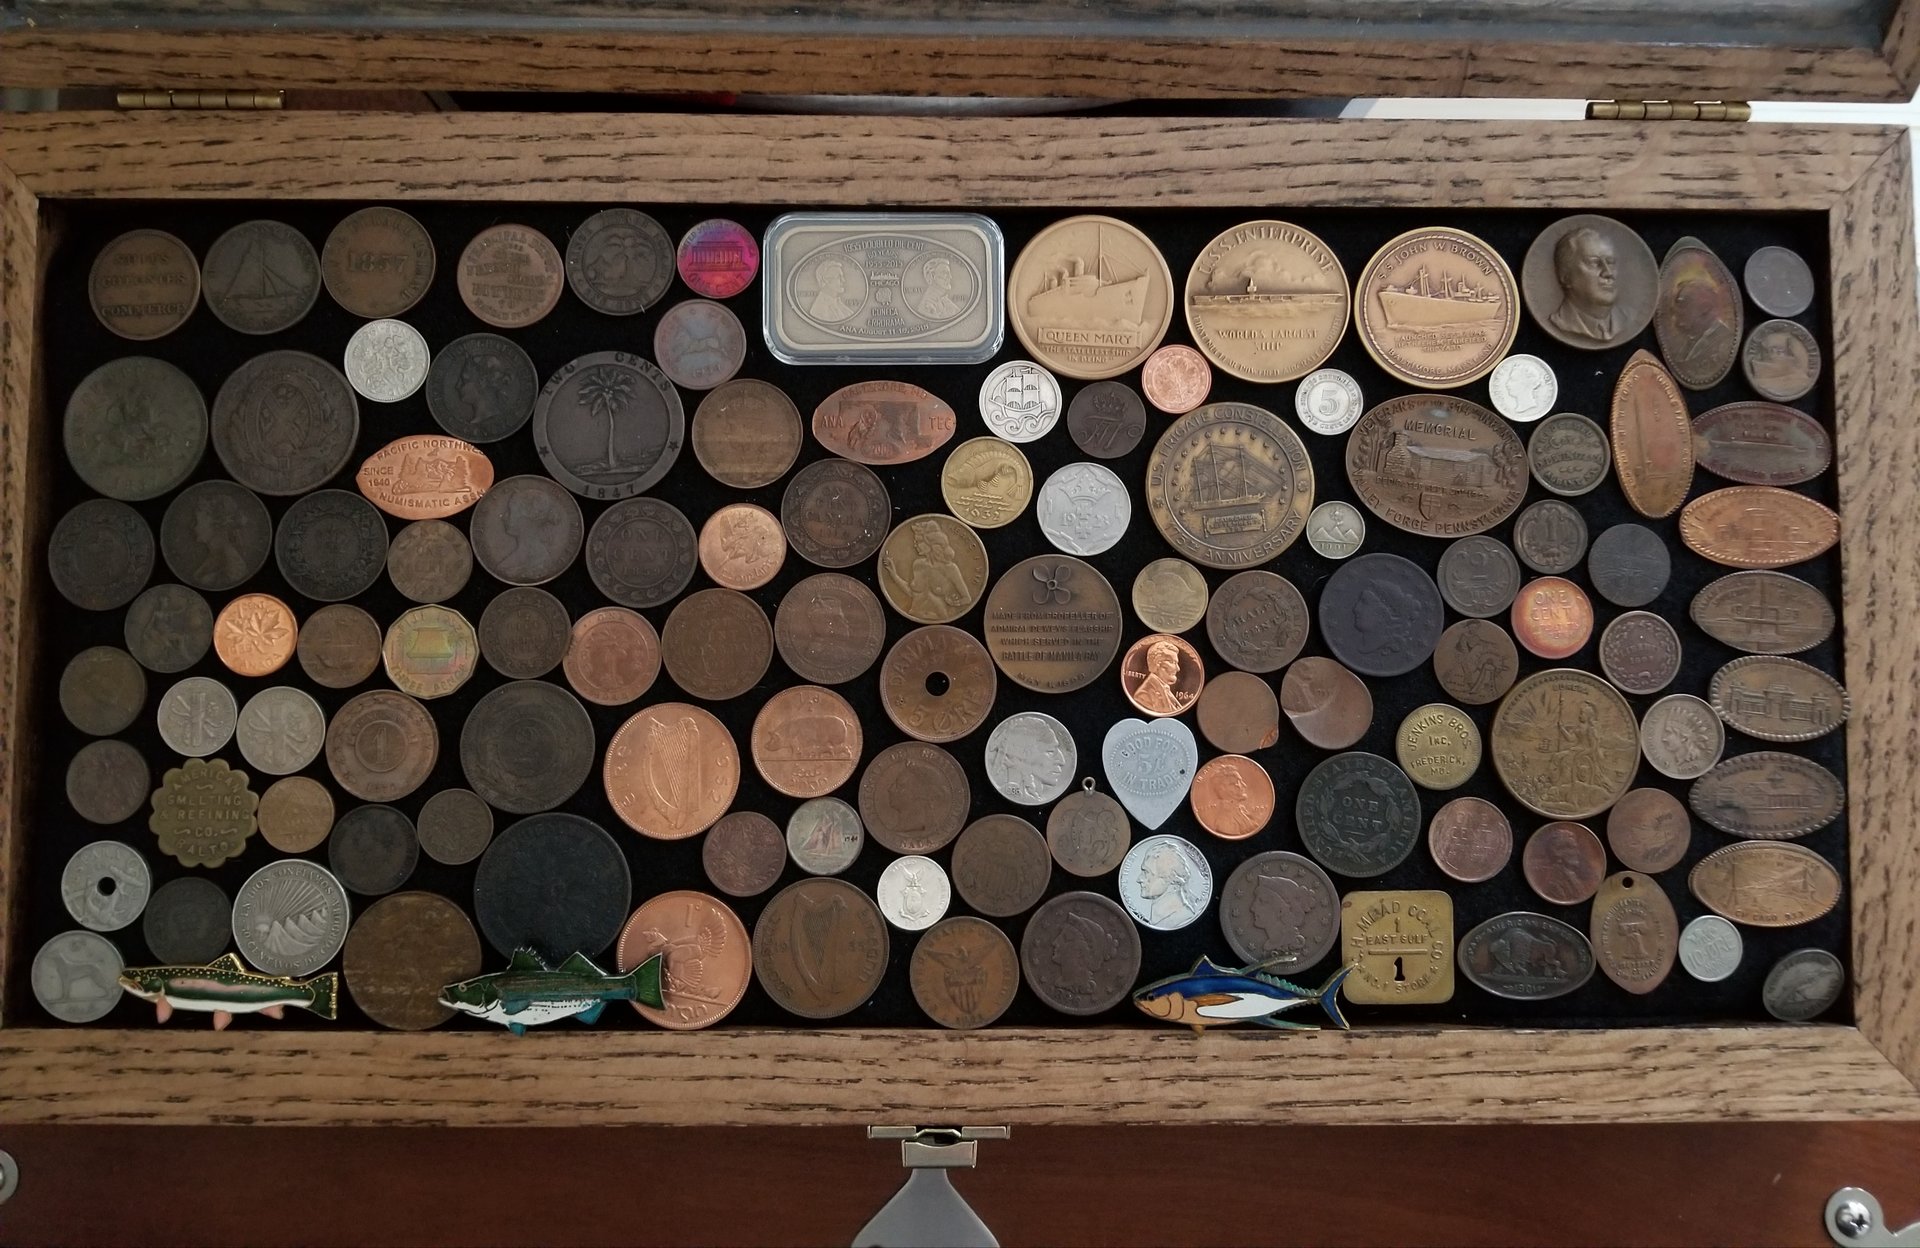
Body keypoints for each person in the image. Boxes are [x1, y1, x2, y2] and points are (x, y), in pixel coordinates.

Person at [1549, 226, 1621, 342]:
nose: (1608, 273)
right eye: (1594, 262)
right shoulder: (1561, 322)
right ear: (1566, 276)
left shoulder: (1626, 319)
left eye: (1611, 262)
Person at [1129, 639, 1194, 715]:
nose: (1178, 668)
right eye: (1173, 662)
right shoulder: (1143, 695)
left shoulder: (1165, 690)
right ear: (1157, 663)